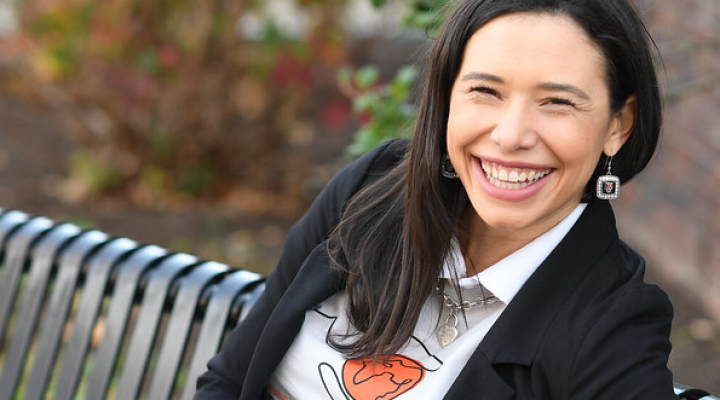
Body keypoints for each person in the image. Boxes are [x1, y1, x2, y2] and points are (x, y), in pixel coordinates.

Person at [195, 0, 676, 398]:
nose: (510, 137)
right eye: (485, 91)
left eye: (557, 102)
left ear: (619, 125)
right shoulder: (372, 188)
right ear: (448, 99)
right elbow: (229, 381)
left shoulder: (613, 324)